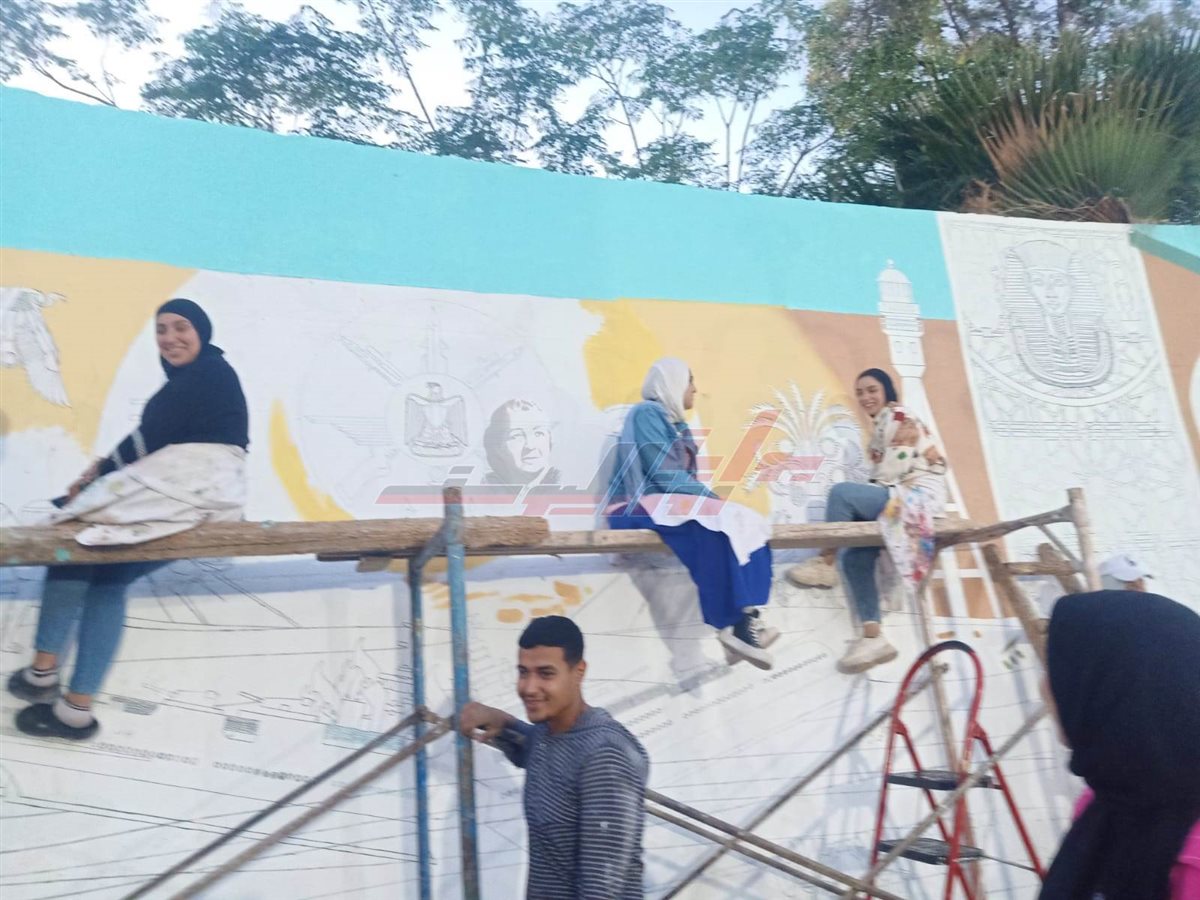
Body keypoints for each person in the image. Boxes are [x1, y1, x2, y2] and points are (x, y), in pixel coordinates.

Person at [7, 298, 249, 740]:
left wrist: (91, 480)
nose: (170, 338)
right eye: (161, 329)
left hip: (191, 482)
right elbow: (150, 443)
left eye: (181, 327)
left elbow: (147, 438)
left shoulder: (207, 374)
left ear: (202, 331)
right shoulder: (200, 380)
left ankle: (43, 675)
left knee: (69, 544)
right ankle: (74, 711)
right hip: (204, 496)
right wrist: (94, 478)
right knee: (108, 580)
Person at [605, 358, 779, 669]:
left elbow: (683, 483)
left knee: (751, 524)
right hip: (634, 506)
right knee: (717, 524)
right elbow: (664, 474)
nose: (695, 389)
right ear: (671, 383)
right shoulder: (647, 413)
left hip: (666, 506)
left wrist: (714, 505)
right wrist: (712, 502)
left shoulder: (679, 426)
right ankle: (733, 625)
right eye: (690, 381)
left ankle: (746, 618)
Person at [460, 616, 649, 900]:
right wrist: (502, 722)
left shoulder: (604, 757)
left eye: (545, 674)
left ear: (578, 671)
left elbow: (602, 888)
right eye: (523, 672)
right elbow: (540, 753)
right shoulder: (547, 734)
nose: (529, 687)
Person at [1040, 590, 1200, 900]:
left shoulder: (1191, 859)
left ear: (1119, 690)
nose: (1045, 685)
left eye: (1063, 669)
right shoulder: (1103, 804)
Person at [786, 368, 946, 674]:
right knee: (856, 556)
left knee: (842, 495)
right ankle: (873, 636)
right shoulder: (881, 427)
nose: (865, 397)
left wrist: (865, 498)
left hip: (916, 496)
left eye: (872, 390)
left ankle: (826, 562)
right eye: (860, 392)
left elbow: (895, 467)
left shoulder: (897, 415)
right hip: (901, 494)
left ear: (887, 391)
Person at [482, 398, 560, 487]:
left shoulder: (562, 483)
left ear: (550, 440)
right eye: (517, 436)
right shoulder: (485, 486)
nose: (530, 446)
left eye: (538, 434)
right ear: (498, 447)